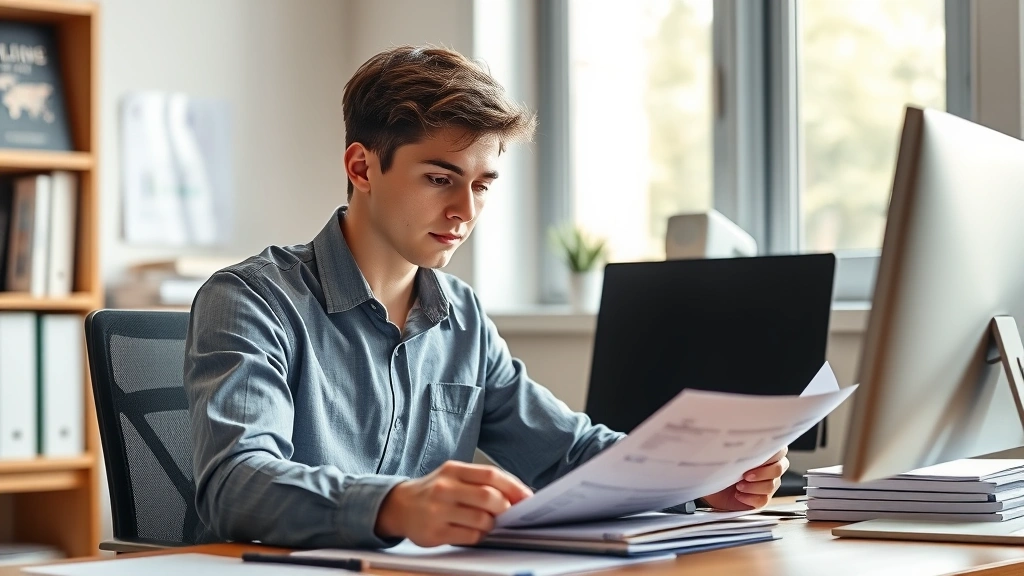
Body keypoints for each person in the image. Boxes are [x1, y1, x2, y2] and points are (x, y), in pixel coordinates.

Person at [184, 45, 789, 550]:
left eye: (481, 185)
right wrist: (396, 504)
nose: (464, 212)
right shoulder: (250, 299)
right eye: (440, 179)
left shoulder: (462, 317)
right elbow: (237, 482)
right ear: (362, 169)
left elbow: (566, 452)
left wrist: (699, 479)